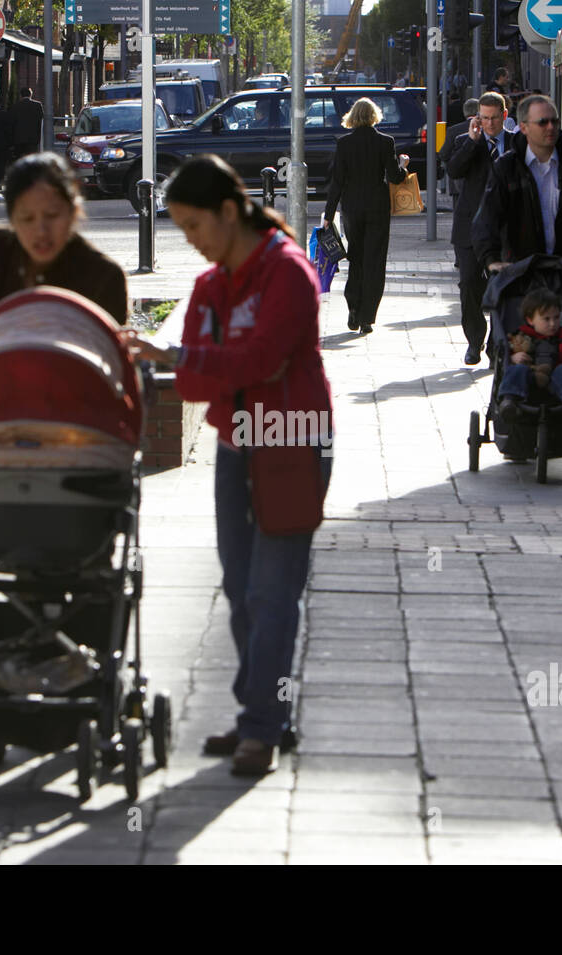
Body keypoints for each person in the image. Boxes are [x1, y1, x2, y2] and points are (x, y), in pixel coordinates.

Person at [122, 155, 334, 777]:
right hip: (237, 442)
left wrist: (192, 356)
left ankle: (262, 729)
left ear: (225, 211)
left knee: (273, 591)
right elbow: (196, 382)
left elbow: (261, 360)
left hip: (293, 440)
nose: (191, 242)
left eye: (193, 227)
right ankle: (263, 714)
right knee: (240, 590)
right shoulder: (214, 284)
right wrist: (203, 361)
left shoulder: (287, 270)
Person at [0, 152, 127, 342]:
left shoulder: (104, 276)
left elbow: (110, 353)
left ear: (74, 211)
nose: (41, 231)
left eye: (52, 215)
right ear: (12, 219)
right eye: (27, 218)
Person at [471, 94, 562, 276]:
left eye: (554, 121)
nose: (550, 127)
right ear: (524, 127)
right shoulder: (506, 166)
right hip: (518, 274)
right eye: (542, 122)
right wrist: (492, 260)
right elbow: (487, 216)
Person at [323, 97, 410, 334]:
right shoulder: (385, 142)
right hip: (377, 208)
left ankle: (353, 306)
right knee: (375, 261)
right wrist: (402, 165)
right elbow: (394, 177)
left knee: (356, 258)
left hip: (352, 208)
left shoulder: (344, 144)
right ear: (374, 116)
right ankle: (367, 317)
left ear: (353, 116)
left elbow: (337, 181)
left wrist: (328, 214)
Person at [447, 92, 510, 365]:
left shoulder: (518, 143)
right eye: (484, 118)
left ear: (504, 116)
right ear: (477, 118)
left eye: (495, 118)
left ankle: (496, 347)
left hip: (504, 230)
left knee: (502, 288)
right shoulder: (466, 142)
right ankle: (475, 340)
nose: (490, 124)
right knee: (469, 284)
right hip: (469, 229)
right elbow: (454, 170)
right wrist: (473, 142)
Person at [497, 288, 562, 425]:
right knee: (517, 369)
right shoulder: (520, 335)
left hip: (558, 385)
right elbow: (502, 351)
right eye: (546, 319)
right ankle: (509, 402)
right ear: (530, 320)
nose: (553, 324)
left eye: (556, 317)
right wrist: (512, 358)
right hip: (527, 385)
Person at [438, 97, 479, 206]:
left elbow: (443, 154)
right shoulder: (484, 129)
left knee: (460, 217)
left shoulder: (453, 130)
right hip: (480, 183)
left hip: (458, 182)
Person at [11, 87, 44, 159]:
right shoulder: (37, 105)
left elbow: (12, 122)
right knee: (32, 160)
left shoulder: (16, 106)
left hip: (19, 138)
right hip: (33, 138)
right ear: (30, 94)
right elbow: (41, 120)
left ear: (21, 95)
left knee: (19, 159)